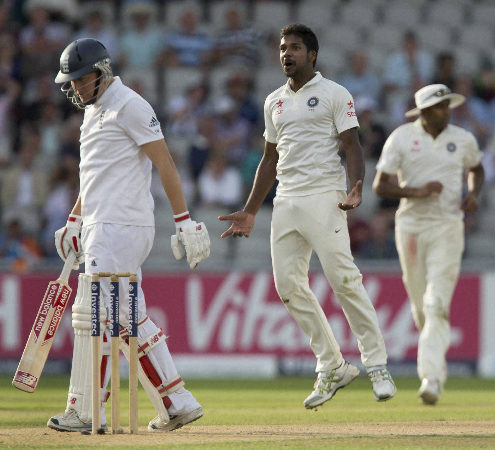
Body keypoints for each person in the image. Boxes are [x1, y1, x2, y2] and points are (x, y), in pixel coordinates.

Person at [219, 24, 396, 409]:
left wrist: (356, 185)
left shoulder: (335, 93)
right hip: (286, 201)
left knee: (343, 278)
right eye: (283, 48)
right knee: (287, 287)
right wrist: (250, 210)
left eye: (295, 48)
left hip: (324, 196)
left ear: (312, 55)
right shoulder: (274, 102)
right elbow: (269, 159)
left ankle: (377, 365)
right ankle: (332, 365)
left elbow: (352, 144)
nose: (287, 54)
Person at [48, 38, 209, 433]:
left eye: (81, 79)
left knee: (107, 317)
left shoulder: (130, 105)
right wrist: (74, 219)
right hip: (102, 226)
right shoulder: (93, 111)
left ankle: (91, 412)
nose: (75, 88)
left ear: (102, 71)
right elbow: (96, 175)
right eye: (71, 82)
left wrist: (184, 220)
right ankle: (174, 402)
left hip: (120, 227)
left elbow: (165, 162)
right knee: (115, 318)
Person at [372, 84, 484, 405]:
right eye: (439, 107)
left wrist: (473, 193)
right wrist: (417, 192)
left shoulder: (462, 138)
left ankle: (430, 377)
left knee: (436, 303)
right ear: (422, 111)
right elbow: (380, 186)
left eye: (447, 106)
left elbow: (477, 169)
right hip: (410, 226)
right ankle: (436, 364)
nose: (446, 112)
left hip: (448, 226)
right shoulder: (401, 137)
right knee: (422, 307)